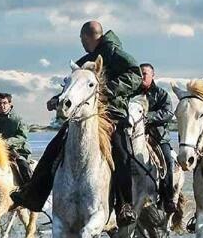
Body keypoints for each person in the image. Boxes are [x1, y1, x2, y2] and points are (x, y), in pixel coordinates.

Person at [10, 21, 142, 225]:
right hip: (83, 115)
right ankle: (33, 194)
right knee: (54, 147)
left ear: (89, 37)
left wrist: (106, 90)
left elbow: (135, 75)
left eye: (82, 40)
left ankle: (124, 205)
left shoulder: (115, 53)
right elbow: (73, 88)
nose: (81, 43)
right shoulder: (83, 62)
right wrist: (58, 99)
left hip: (112, 114)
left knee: (121, 153)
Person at [139, 63, 177, 214]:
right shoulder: (131, 94)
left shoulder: (161, 94)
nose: (141, 77)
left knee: (167, 160)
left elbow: (168, 113)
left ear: (152, 75)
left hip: (158, 136)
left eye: (145, 74)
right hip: (135, 135)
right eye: (139, 73)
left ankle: (168, 199)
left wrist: (147, 117)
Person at [0, 92, 33, 183]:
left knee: (22, 165)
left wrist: (7, 142)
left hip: (17, 149)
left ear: (10, 104)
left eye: (4, 103)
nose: (2, 106)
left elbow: (22, 136)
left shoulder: (18, 119)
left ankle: (29, 188)